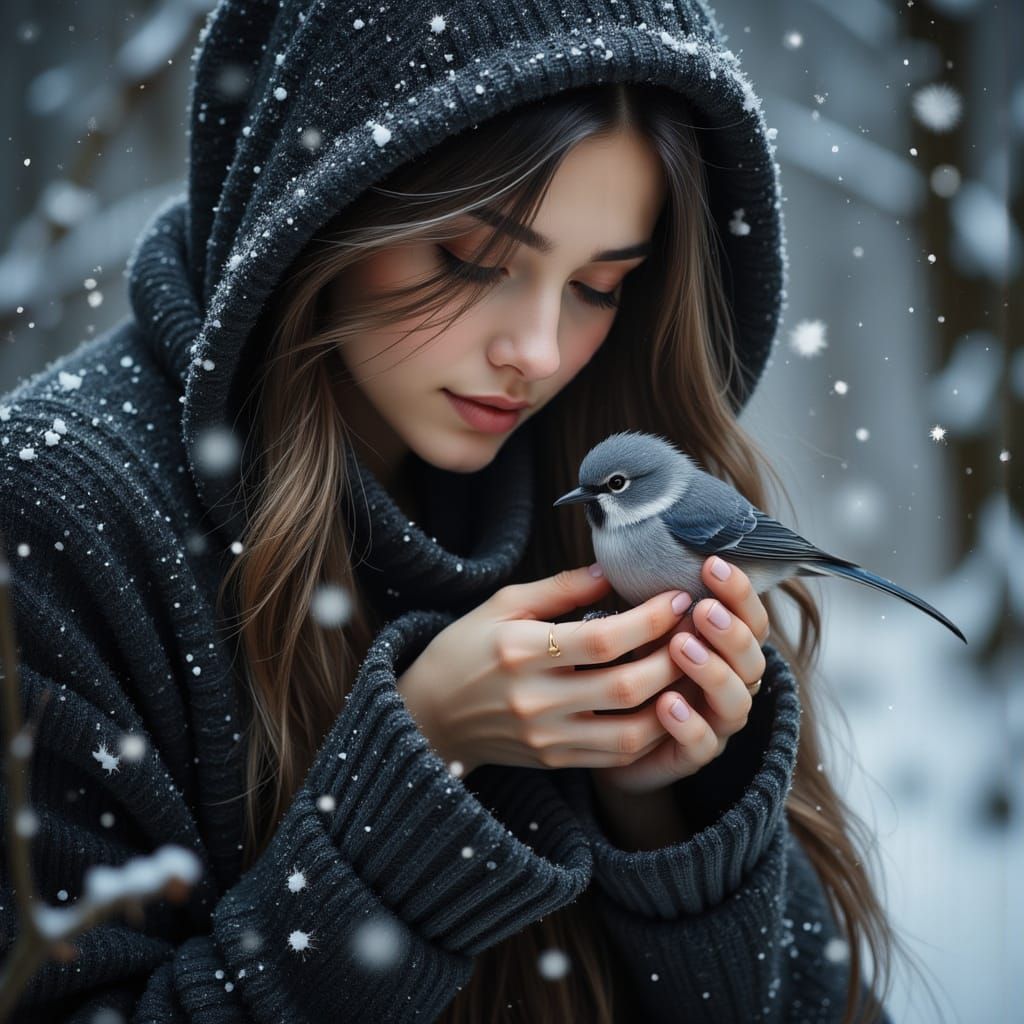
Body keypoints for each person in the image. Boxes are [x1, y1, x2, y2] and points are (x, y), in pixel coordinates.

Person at [0, 2, 922, 1021]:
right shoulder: (56, 511)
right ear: (324, 204)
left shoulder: (600, 474)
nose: (534, 350)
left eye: (600, 285)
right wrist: (414, 773)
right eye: (472, 261)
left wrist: (658, 808)